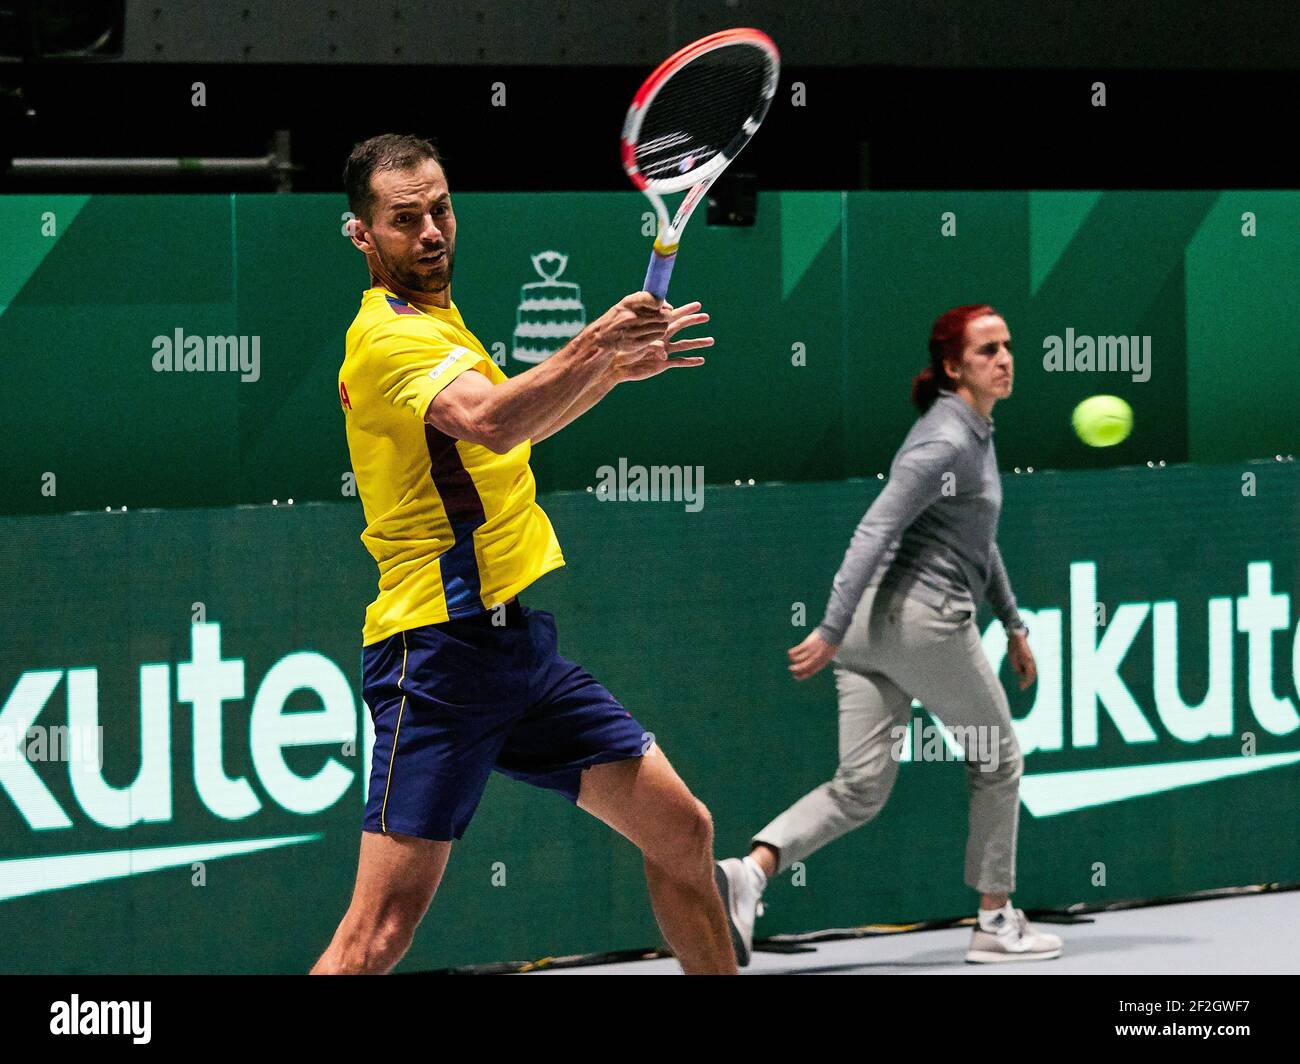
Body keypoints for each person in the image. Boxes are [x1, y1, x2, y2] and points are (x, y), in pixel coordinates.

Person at [313, 133, 736, 974]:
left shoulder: (438, 321)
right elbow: (493, 420)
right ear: (363, 236)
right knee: (376, 937)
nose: (432, 231)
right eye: (405, 219)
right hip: (436, 655)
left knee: (683, 831)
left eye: (440, 208)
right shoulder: (388, 339)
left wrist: (608, 370)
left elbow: (512, 431)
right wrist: (596, 343)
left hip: (516, 651)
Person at [715, 304, 1063, 966]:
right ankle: (994, 921)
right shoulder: (945, 441)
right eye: (988, 350)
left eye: (1008, 346)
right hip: (919, 623)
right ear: (954, 367)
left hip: (873, 636)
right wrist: (828, 625)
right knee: (998, 758)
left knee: (861, 788)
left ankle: (749, 872)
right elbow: (874, 528)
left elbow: (978, 543)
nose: (1005, 359)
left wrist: (1014, 624)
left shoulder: (973, 434)